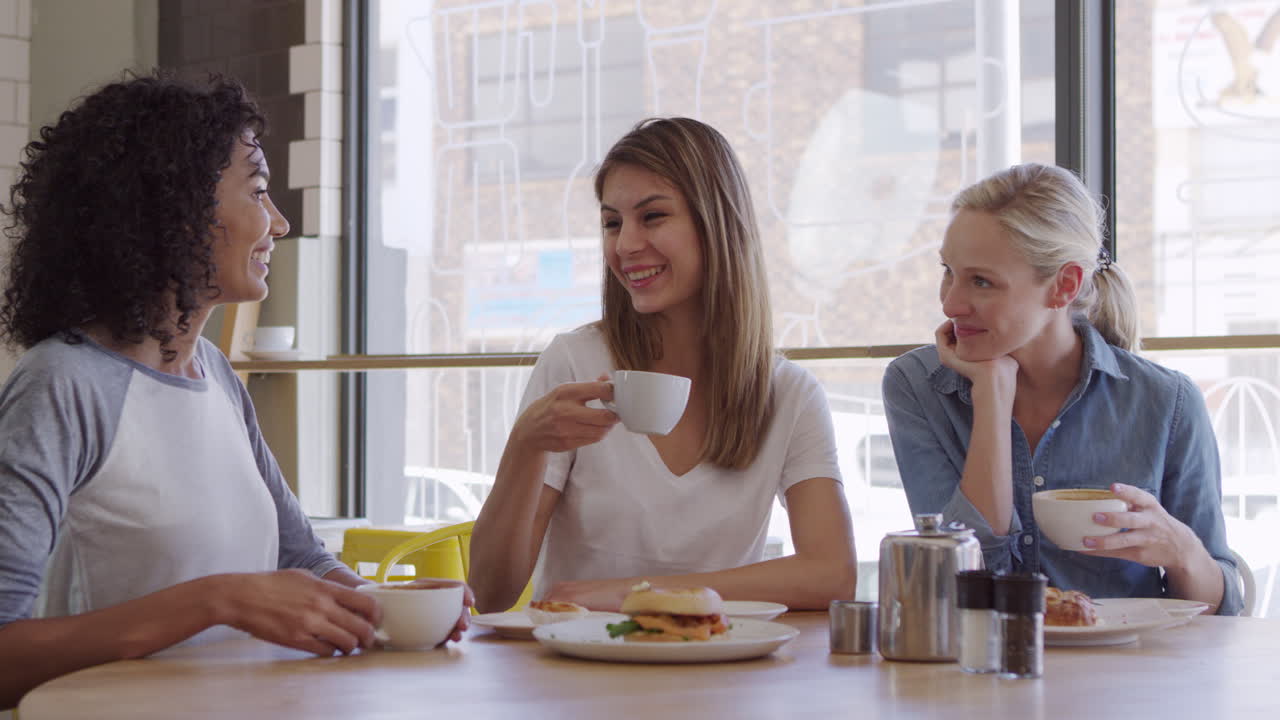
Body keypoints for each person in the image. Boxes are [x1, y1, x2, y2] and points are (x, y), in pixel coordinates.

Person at [0, 73, 469, 709]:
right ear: (173, 207)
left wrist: (386, 609)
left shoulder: (214, 373)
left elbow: (299, 556)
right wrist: (219, 599)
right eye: (258, 191)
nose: (277, 224)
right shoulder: (63, 383)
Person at [469, 117, 857, 613]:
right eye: (612, 223)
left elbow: (834, 574)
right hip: (578, 674)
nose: (626, 244)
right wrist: (526, 444)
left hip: (722, 672)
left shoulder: (789, 394)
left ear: (716, 222)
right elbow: (491, 591)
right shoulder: (576, 363)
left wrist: (635, 596)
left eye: (652, 217)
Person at [882, 162, 1242, 615]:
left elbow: (1223, 609)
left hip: (1128, 676)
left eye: (981, 281)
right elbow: (965, 577)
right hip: (981, 672)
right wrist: (992, 398)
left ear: (1064, 286)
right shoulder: (917, 385)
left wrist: (1182, 550)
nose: (951, 302)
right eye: (948, 271)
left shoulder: (1167, 403)